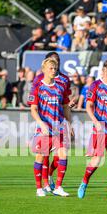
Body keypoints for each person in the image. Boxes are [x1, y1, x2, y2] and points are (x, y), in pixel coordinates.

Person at [77, 59, 107, 201]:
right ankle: (84, 182)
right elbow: (89, 106)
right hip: (101, 129)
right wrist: (96, 122)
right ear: (104, 70)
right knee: (97, 160)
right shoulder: (95, 85)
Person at [29, 57, 72, 197]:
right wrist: (41, 123)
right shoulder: (37, 87)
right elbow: (33, 109)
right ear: (44, 70)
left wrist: (69, 124)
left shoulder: (60, 87)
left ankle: (58, 187)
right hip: (44, 128)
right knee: (40, 157)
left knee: (63, 155)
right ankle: (39, 188)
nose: (53, 71)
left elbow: (65, 106)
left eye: (55, 68)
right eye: (50, 68)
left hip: (59, 127)